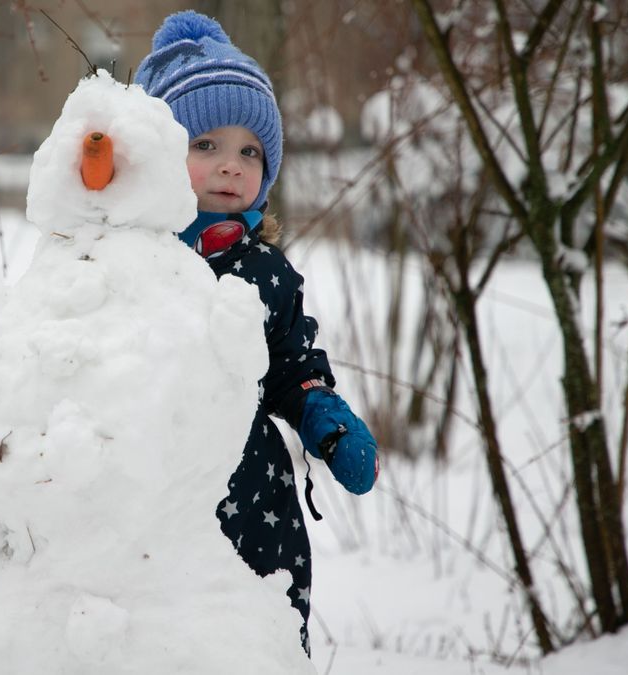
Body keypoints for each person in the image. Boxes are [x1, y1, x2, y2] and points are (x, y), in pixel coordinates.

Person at [134, 10, 379, 653]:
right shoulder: (127, 258)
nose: (231, 166)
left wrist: (321, 411)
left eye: (250, 151)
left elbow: (292, 363)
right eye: (205, 145)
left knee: (249, 638)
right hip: (141, 497)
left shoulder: (267, 270)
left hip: (250, 504)